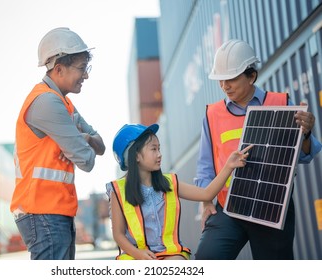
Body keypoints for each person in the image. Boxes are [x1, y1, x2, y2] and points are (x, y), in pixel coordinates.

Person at [194, 39, 322, 260]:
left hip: (272, 208)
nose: (225, 86)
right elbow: (205, 166)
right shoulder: (212, 115)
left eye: (231, 79)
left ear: (251, 76)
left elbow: (302, 156)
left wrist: (307, 134)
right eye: (220, 80)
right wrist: (205, 202)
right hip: (228, 208)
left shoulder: (281, 103)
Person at [10, 27, 106, 260]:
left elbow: (100, 145)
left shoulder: (65, 104)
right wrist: (83, 141)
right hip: (42, 212)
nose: (86, 75)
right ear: (59, 69)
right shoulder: (46, 103)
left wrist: (84, 139)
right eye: (82, 69)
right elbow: (87, 160)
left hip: (55, 211)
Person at [106, 123, 252, 260]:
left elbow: (207, 194)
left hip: (171, 255)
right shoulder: (118, 191)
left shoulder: (170, 183)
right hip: (135, 256)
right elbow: (118, 234)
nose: (159, 154)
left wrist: (229, 166)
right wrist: (139, 255)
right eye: (153, 149)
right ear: (136, 155)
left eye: (159, 148)